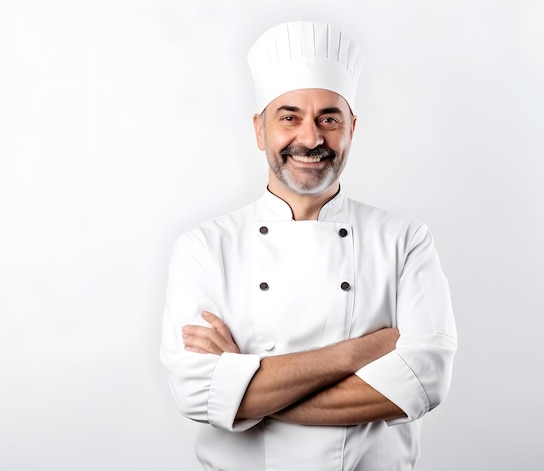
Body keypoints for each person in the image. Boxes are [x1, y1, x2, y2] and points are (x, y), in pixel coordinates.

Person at [161, 20, 457, 470]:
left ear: (351, 129)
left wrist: (243, 387)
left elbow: (424, 382)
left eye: (329, 119)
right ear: (260, 130)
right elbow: (196, 392)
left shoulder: (404, 239)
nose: (311, 138)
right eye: (289, 117)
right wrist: (359, 352)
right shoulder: (204, 248)